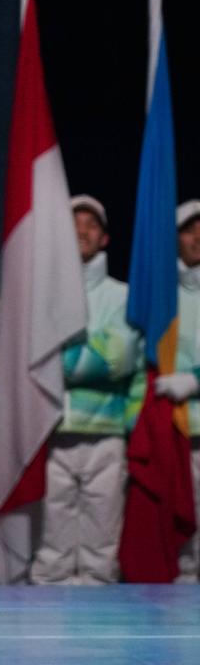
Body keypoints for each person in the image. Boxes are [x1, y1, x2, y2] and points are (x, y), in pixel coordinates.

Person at [29, 196, 140, 585]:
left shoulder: (123, 296)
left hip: (105, 434)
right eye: (74, 223)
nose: (82, 231)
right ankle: (46, 640)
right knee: (52, 549)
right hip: (51, 432)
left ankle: (100, 636)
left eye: (91, 224)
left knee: (99, 548)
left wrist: (53, 358)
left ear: (105, 238)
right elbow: (25, 359)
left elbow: (118, 358)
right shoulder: (37, 297)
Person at [167, 200, 200, 582]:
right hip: (174, 435)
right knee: (181, 552)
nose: (197, 237)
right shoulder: (158, 297)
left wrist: (194, 381)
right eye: (189, 229)